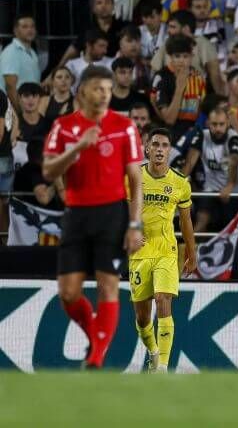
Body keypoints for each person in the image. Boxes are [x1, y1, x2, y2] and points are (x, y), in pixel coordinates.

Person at [42, 65, 144, 369]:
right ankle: (96, 336)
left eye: (108, 90)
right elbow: (48, 171)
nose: (104, 95)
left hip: (111, 214)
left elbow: (136, 181)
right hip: (76, 214)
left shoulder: (124, 126)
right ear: (83, 90)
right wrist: (78, 148)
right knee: (68, 293)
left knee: (107, 286)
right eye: (98, 88)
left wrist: (135, 223)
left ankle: (96, 358)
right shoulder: (64, 126)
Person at [130, 128, 196, 374]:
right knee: (143, 318)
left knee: (163, 300)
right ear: (147, 148)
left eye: (164, 145)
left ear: (169, 150)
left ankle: (163, 368)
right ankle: (153, 352)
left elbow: (186, 221)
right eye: (155, 144)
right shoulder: (134, 176)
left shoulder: (180, 182)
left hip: (167, 250)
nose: (159, 149)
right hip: (139, 251)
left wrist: (192, 251)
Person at [151, 35, 208, 142]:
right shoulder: (162, 77)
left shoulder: (199, 78)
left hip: (194, 134)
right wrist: (179, 89)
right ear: (170, 57)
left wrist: (197, 129)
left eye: (185, 56)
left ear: (192, 56)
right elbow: (169, 120)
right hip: (169, 135)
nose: (181, 61)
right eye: (177, 56)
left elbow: (202, 110)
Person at [0, 14, 39, 111]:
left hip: (29, 108)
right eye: (25, 27)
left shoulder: (32, 52)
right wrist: (20, 113)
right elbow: (10, 87)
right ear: (16, 31)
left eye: (32, 26)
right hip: (14, 111)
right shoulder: (11, 52)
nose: (30, 30)